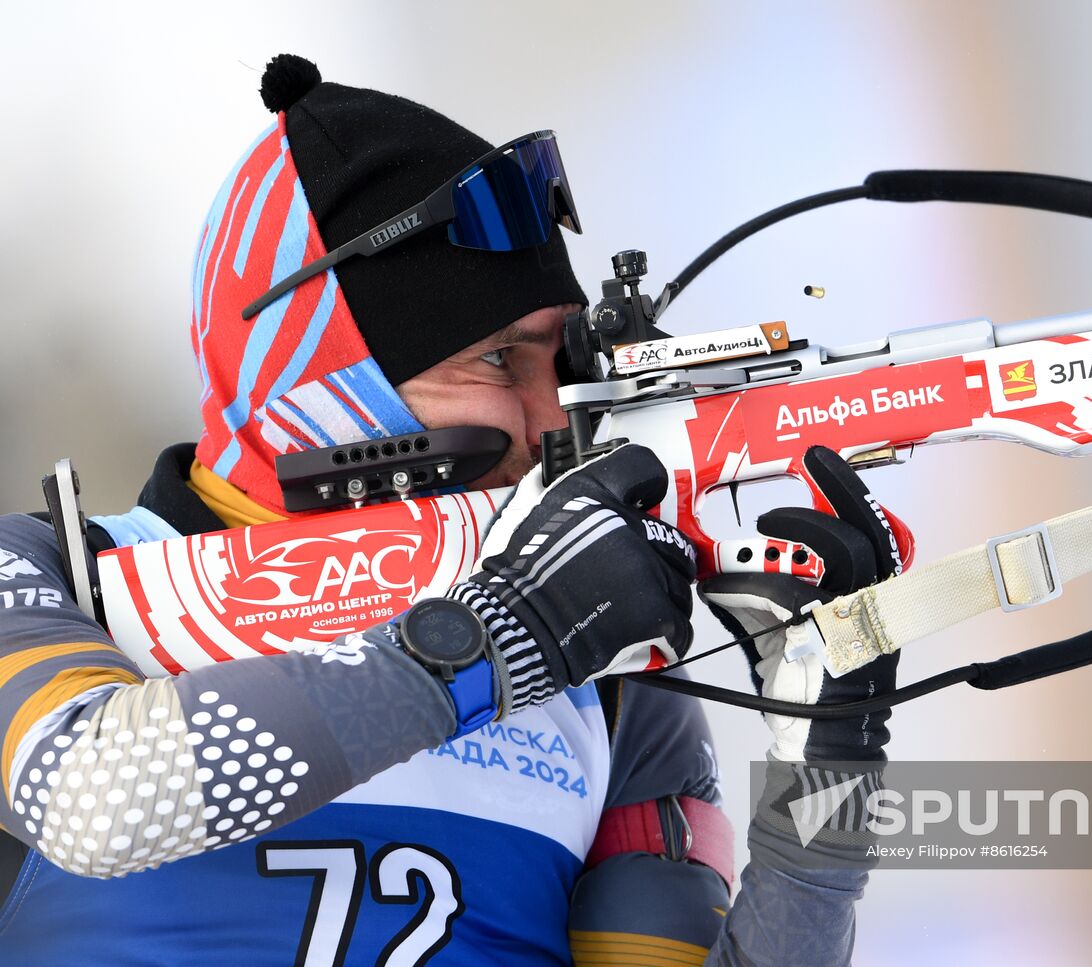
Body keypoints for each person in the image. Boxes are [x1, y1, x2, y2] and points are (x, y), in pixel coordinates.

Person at [0, 55, 898, 965]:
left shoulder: (617, 692)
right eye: (501, 361)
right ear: (321, 373)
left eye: (564, 365)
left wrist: (825, 779)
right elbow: (93, 798)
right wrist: (507, 636)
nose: (554, 420)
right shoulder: (49, 578)